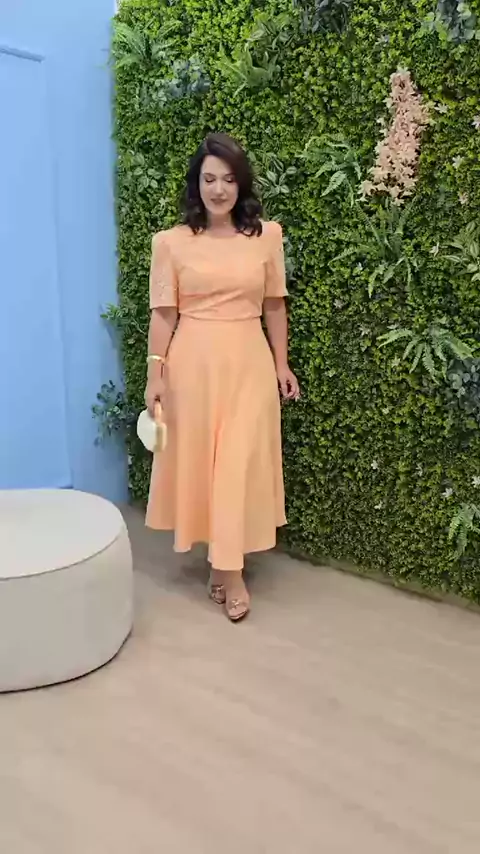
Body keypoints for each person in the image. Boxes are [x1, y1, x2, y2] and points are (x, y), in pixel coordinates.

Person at [144, 132, 299, 622]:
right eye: (209, 179)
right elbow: (163, 314)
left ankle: (229, 573)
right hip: (192, 366)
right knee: (208, 469)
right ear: (197, 184)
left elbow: (274, 305)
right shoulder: (170, 243)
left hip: (249, 364)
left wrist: (281, 364)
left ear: (241, 184)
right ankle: (225, 567)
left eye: (228, 179)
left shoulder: (267, 236)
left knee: (236, 464)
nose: (218, 189)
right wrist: (155, 375)